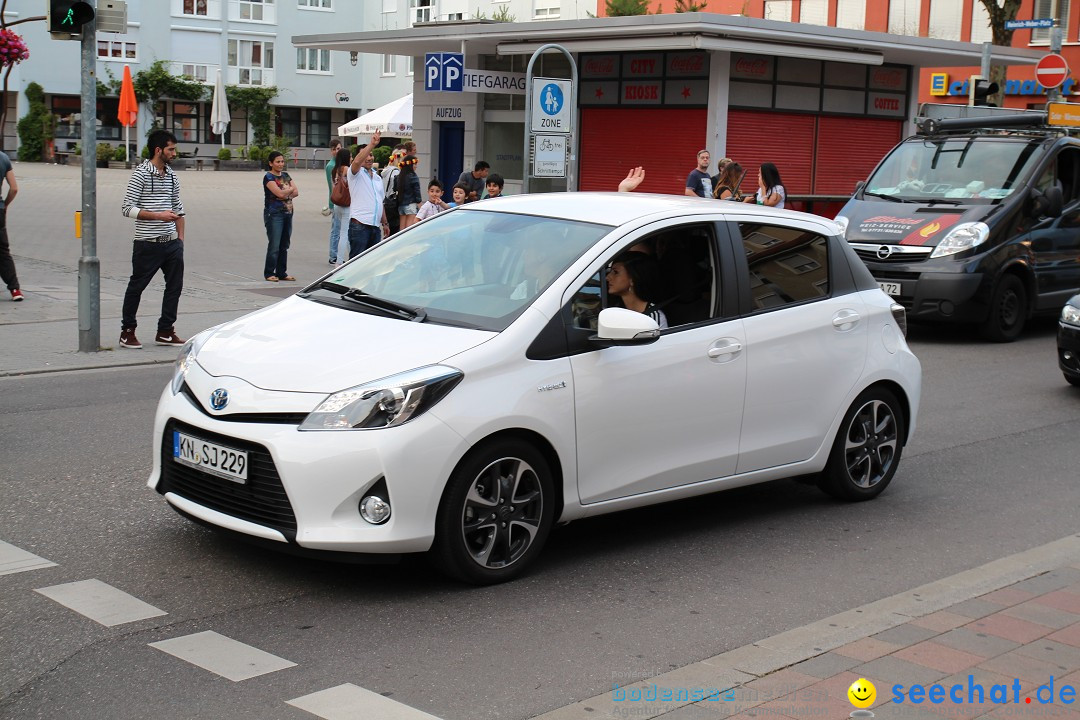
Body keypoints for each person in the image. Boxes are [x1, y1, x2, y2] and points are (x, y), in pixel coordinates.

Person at [119, 129, 186, 349]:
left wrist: (180, 241)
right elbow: (127, 208)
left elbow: (178, 209)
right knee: (136, 287)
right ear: (159, 150)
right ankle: (127, 332)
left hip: (172, 243)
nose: (174, 153)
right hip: (147, 243)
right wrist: (158, 215)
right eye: (171, 149)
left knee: (174, 288)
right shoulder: (141, 173)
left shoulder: (172, 175)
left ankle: (165, 331)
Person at [347, 131, 389, 258]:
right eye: (366, 155)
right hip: (360, 226)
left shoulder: (377, 178)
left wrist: (385, 223)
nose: (369, 158)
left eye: (371, 155)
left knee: (371, 264)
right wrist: (371, 144)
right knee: (356, 262)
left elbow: (380, 202)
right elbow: (356, 162)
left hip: (375, 227)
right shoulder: (355, 174)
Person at [606, 250, 668, 329]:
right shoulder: (613, 311)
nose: (607, 277)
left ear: (632, 279)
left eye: (615, 272)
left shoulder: (653, 318)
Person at [262, 150, 298, 282]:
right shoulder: (268, 177)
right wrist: (287, 191)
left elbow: (296, 192)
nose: (281, 164)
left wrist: (284, 192)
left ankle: (282, 272)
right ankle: (269, 272)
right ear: (271, 163)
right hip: (274, 214)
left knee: (284, 244)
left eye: (282, 161)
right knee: (274, 244)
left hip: (288, 213)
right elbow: (280, 194)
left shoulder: (286, 175)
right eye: (278, 161)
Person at [0, 150, 21, 302]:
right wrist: (5, 204)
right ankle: (15, 289)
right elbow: (14, 188)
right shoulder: (3, 158)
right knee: (3, 251)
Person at [330, 146, 353, 268]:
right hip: (346, 204)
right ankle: (339, 261)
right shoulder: (346, 169)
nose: (352, 158)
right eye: (350, 156)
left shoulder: (335, 169)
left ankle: (353, 255)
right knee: (344, 233)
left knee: (344, 232)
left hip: (337, 203)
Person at [324, 138, 342, 261]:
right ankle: (333, 255)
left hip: (339, 201)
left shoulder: (341, 163)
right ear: (331, 151)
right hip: (335, 201)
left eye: (339, 149)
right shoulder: (331, 166)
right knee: (336, 229)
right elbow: (333, 187)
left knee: (340, 229)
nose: (336, 151)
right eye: (334, 149)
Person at [381, 145, 405, 236]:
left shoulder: (386, 171)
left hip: (385, 203)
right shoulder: (396, 172)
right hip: (393, 205)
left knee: (388, 231)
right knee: (394, 232)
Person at [395, 154, 422, 229]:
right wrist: (421, 208)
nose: (416, 166)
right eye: (415, 164)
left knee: (402, 230)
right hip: (411, 205)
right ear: (410, 165)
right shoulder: (413, 176)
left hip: (401, 206)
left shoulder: (400, 176)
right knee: (409, 230)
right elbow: (417, 193)